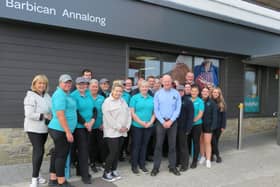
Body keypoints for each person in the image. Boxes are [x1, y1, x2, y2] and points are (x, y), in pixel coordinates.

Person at [48, 74, 77, 187]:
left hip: (60, 129)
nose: (68, 84)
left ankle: (53, 178)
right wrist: (68, 132)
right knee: (62, 155)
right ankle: (61, 181)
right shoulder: (60, 95)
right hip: (60, 130)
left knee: (56, 153)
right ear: (60, 83)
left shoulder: (66, 94)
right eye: (65, 82)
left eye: (69, 82)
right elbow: (60, 115)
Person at [24, 74, 52, 187]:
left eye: (44, 83)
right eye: (39, 83)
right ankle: (34, 179)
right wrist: (44, 116)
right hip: (33, 129)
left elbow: (52, 108)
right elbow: (29, 114)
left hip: (44, 128)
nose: (42, 85)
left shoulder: (47, 96)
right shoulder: (30, 96)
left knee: (39, 152)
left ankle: (38, 175)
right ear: (34, 84)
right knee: (39, 151)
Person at [151, 74, 181, 177]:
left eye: (169, 81)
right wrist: (163, 121)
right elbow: (156, 109)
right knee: (158, 145)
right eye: (165, 81)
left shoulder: (176, 93)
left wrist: (171, 121)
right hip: (161, 122)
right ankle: (156, 167)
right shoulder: (158, 94)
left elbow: (178, 109)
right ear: (162, 82)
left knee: (172, 146)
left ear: (171, 82)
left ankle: (172, 167)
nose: (167, 83)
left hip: (172, 122)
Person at [102, 82, 131, 182]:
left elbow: (128, 114)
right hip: (112, 133)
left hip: (122, 132)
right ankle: (106, 173)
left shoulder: (123, 101)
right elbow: (108, 118)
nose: (118, 93)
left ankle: (113, 170)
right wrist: (119, 127)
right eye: (117, 91)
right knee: (113, 152)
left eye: (120, 91)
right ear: (112, 91)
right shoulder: (107, 102)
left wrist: (127, 127)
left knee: (117, 153)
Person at [70, 77, 93, 184]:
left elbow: (94, 109)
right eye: (80, 84)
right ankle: (85, 175)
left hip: (89, 127)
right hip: (79, 127)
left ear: (87, 85)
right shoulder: (73, 96)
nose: (82, 86)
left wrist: (92, 121)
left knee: (85, 149)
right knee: (83, 151)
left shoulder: (88, 94)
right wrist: (85, 123)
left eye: (84, 84)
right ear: (76, 85)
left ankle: (80, 171)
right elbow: (75, 112)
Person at [129, 80, 156, 174]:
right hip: (137, 126)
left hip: (149, 126)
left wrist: (150, 122)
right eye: (142, 87)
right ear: (139, 88)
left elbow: (154, 113)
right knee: (136, 146)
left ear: (148, 88)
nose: (144, 88)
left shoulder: (152, 99)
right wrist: (141, 122)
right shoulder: (134, 98)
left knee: (144, 146)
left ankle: (142, 164)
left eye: (146, 87)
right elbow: (132, 112)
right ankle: (134, 165)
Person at [88, 79, 106, 172]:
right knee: (91, 146)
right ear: (89, 87)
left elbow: (105, 112)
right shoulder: (86, 97)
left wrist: (103, 123)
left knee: (102, 145)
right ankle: (92, 163)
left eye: (96, 86)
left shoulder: (101, 98)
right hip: (89, 127)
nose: (94, 88)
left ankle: (103, 162)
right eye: (92, 86)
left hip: (100, 126)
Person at [176, 85, 194, 172]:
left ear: (184, 91)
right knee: (176, 146)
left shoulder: (188, 101)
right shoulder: (174, 100)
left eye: (181, 91)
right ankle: (177, 162)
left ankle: (184, 165)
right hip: (175, 127)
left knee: (183, 146)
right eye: (178, 90)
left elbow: (191, 116)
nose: (180, 92)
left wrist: (188, 128)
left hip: (183, 128)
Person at [199, 87, 217, 169]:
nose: (205, 92)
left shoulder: (212, 103)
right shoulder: (199, 101)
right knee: (201, 141)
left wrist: (213, 126)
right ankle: (202, 156)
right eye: (203, 91)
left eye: (206, 91)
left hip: (208, 126)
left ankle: (208, 159)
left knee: (207, 142)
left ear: (209, 93)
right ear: (201, 92)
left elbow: (214, 115)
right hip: (199, 125)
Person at [189, 85, 204, 169]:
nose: (194, 92)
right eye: (192, 91)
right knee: (187, 142)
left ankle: (194, 161)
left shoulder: (200, 101)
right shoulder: (188, 100)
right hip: (188, 126)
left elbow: (200, 114)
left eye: (195, 91)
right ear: (190, 91)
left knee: (196, 143)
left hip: (197, 125)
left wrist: (192, 121)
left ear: (198, 92)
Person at [211, 87, 226, 163]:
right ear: (212, 93)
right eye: (214, 92)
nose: (215, 94)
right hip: (211, 126)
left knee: (215, 141)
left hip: (219, 126)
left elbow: (224, 116)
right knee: (213, 141)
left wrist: (223, 126)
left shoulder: (221, 103)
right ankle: (218, 156)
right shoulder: (210, 101)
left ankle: (211, 154)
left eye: (217, 92)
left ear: (219, 94)